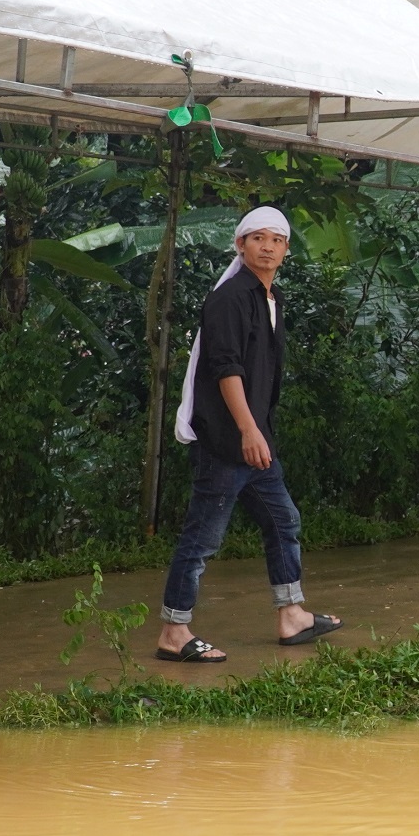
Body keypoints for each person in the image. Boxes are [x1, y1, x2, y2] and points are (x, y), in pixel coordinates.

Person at [156, 207, 342, 663]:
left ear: (285, 251)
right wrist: (247, 429)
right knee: (202, 540)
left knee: (283, 522)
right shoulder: (230, 298)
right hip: (226, 442)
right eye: (257, 238)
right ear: (240, 246)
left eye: (276, 240)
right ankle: (173, 632)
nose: (267, 247)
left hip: (256, 444)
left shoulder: (269, 298)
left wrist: (259, 434)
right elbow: (226, 368)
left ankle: (292, 614)